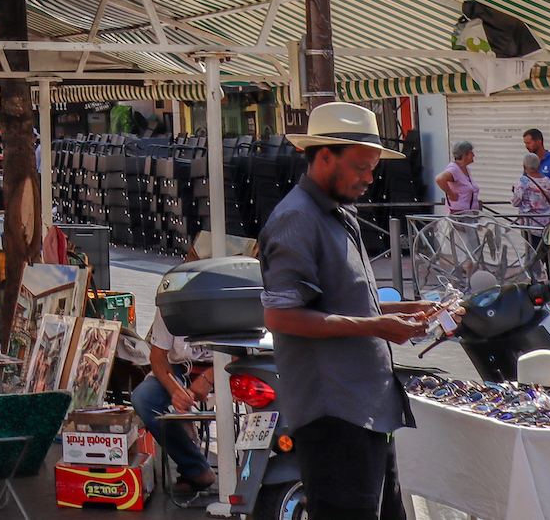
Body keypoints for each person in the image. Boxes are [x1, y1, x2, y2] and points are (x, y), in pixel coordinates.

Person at [259, 102, 432, 520]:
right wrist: (377, 325)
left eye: (372, 168)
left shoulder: (337, 213)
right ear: (323, 157)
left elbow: (347, 299)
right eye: (359, 167)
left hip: (365, 409)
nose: (369, 178)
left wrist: (413, 309)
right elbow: (281, 317)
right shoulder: (297, 219)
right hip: (334, 413)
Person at [131, 297, 216, 493]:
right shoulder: (171, 300)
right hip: (181, 369)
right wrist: (174, 390)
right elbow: (158, 355)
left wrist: (209, 378)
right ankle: (195, 468)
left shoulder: (227, 294)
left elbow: (244, 350)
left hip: (224, 366)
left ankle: (252, 473)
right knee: (143, 398)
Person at [513, 152, 550, 232]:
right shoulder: (547, 180)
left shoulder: (523, 181)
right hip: (548, 224)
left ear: (524, 167)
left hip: (530, 226)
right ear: (539, 166)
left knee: (531, 244)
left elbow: (515, 202)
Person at [435, 140, 479, 213]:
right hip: (459, 215)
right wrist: (451, 194)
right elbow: (439, 179)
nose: (473, 155)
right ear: (465, 155)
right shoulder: (454, 169)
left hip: (469, 214)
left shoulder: (466, 169)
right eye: (471, 153)